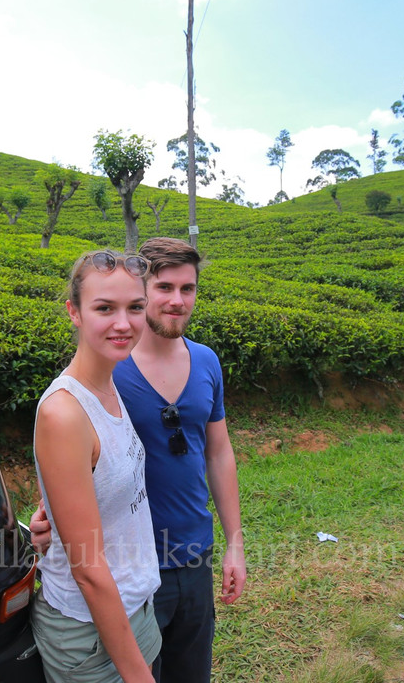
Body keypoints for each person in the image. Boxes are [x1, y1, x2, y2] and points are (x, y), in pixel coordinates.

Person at [33, 237, 246, 683]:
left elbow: (217, 450)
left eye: (187, 288)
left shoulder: (192, 365)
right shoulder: (108, 372)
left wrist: (235, 541)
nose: (176, 300)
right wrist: (49, 513)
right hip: (116, 581)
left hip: (177, 562)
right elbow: (68, 449)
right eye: (164, 287)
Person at [31, 249, 162, 683]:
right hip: (88, 631)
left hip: (133, 607)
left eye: (135, 307)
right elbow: (87, 571)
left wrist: (51, 516)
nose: (123, 323)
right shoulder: (65, 413)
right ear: (75, 312)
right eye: (105, 308)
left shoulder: (108, 382)